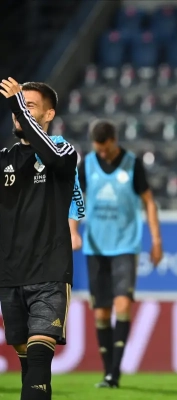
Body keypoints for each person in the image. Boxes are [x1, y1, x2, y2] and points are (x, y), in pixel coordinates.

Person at [0, 78, 80, 399]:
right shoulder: (3, 158)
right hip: (10, 275)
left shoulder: (64, 151)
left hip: (49, 272)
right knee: (27, 359)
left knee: (38, 354)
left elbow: (54, 158)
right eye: (18, 107)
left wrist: (16, 103)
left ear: (49, 115)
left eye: (29, 106)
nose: (20, 112)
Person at [70, 119, 163, 389]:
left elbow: (149, 202)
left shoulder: (132, 164)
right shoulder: (87, 164)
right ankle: (108, 372)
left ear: (114, 140)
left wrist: (156, 240)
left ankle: (114, 373)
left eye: (105, 147)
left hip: (125, 245)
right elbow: (75, 198)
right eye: (97, 148)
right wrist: (73, 230)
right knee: (101, 313)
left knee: (122, 305)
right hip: (96, 247)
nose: (101, 152)